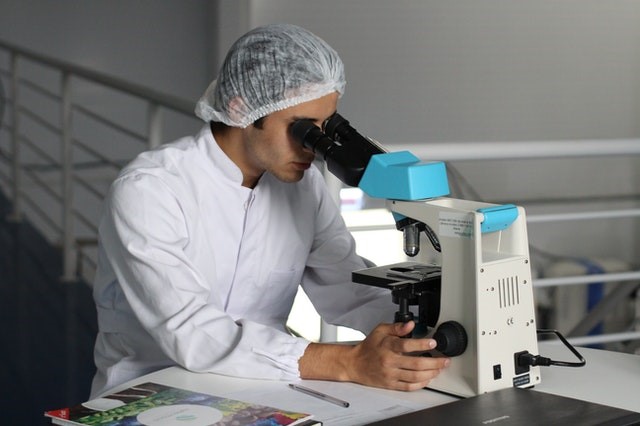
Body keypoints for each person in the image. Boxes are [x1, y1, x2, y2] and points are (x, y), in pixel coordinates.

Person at [90, 23, 449, 398]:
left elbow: (348, 288)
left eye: (326, 127)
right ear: (241, 108)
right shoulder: (151, 190)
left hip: (261, 389)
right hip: (151, 392)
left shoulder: (303, 187)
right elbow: (192, 332)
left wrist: (420, 335)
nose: (315, 147)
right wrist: (349, 362)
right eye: (303, 130)